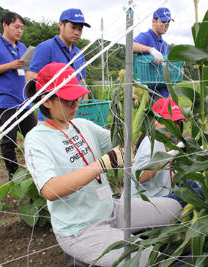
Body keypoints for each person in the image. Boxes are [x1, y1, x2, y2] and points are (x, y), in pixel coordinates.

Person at [24, 62, 181, 266]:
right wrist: (101, 165)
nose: (75, 104)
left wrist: (134, 106)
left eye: (77, 98)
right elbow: (50, 189)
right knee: (151, 260)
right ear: (46, 100)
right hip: (80, 229)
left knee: (175, 208)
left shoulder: (81, 125)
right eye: (67, 100)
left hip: (111, 208)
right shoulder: (37, 138)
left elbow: (123, 142)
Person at [0, 11, 37, 180]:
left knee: (34, 138)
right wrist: (10, 65)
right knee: (9, 140)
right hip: (3, 101)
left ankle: (36, 173)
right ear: (5, 25)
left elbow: (26, 72)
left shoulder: (22, 47)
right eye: (16, 27)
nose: (19, 31)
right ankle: (13, 176)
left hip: (23, 102)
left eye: (22, 28)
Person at [131, 98, 204, 207]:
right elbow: (140, 177)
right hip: (148, 203)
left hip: (159, 194)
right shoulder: (152, 143)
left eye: (178, 122)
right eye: (170, 121)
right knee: (199, 193)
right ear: (156, 121)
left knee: (191, 184)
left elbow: (163, 176)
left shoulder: (162, 141)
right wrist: (171, 154)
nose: (176, 126)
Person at [26, 8, 90, 121]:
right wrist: (62, 82)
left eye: (80, 29)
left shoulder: (79, 55)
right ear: (61, 25)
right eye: (73, 27)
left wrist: (84, 109)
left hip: (73, 116)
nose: (76, 32)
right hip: (50, 117)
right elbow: (31, 77)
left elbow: (82, 83)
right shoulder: (46, 48)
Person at [133, 7, 173, 99]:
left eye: (168, 23)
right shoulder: (146, 37)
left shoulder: (165, 45)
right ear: (154, 21)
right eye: (163, 22)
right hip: (149, 92)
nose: (166, 25)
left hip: (164, 90)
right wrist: (150, 49)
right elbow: (130, 46)